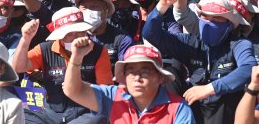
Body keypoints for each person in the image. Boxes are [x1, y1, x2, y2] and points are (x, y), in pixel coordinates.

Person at [11, 7, 113, 123]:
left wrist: (81, 86)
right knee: (21, 116)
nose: (76, 36)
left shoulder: (99, 51)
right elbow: (18, 67)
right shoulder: (44, 49)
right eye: (69, 33)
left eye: (79, 31)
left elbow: (104, 91)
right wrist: (26, 39)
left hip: (85, 113)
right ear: (61, 36)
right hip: (51, 113)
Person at [63, 41, 196, 123]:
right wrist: (77, 57)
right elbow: (73, 90)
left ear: (160, 77)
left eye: (145, 71)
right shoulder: (113, 96)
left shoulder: (179, 108)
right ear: (124, 77)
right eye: (131, 71)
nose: (137, 78)